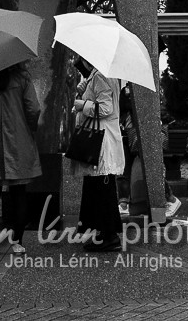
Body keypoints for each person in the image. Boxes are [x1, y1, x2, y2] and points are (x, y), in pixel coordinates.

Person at [0, 62, 42, 254]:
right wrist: (30, 127)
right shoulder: (22, 78)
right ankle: (18, 242)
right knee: (19, 192)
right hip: (17, 138)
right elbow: (33, 109)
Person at [67, 58, 123, 252]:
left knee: (102, 189)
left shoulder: (101, 76)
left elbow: (106, 108)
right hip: (101, 141)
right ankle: (104, 232)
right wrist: (85, 90)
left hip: (101, 142)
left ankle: (109, 235)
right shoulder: (99, 75)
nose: (80, 60)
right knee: (99, 189)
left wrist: (83, 105)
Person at [120, 81, 182, 220]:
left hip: (141, 132)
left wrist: (128, 96)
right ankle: (126, 203)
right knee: (130, 169)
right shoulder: (127, 89)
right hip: (130, 132)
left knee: (151, 168)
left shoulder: (144, 86)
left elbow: (144, 107)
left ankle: (170, 199)